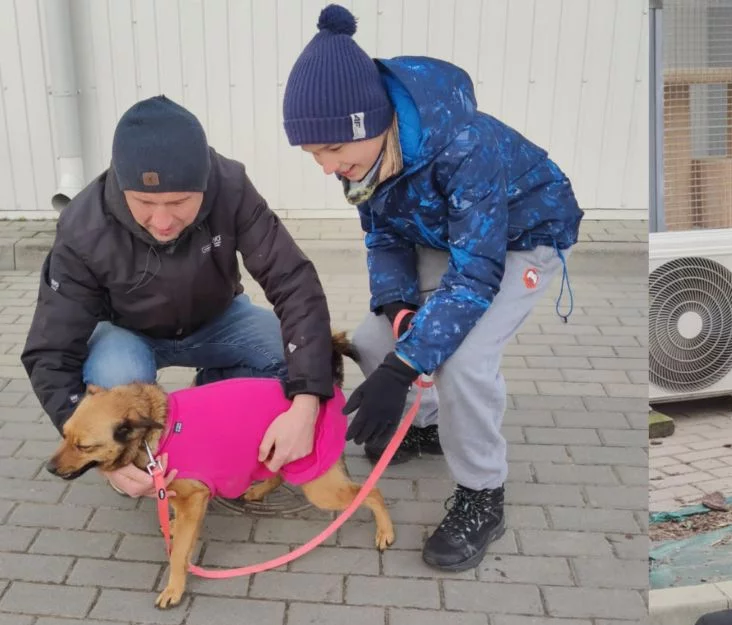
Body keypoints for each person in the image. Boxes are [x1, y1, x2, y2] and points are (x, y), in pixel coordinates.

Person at [280, 4, 583, 572]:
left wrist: (407, 366)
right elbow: (386, 239)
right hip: (448, 239)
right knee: (374, 338)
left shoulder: (464, 146)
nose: (325, 167)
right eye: (313, 155)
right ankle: (428, 429)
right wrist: (396, 306)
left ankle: (482, 492)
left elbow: (475, 275)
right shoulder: (365, 162)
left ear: (367, 125)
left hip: (523, 236)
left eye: (331, 151)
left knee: (463, 360)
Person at [22, 95, 338, 499]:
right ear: (122, 186)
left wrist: (307, 404)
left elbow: (294, 282)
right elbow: (50, 350)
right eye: (145, 203)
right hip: (127, 332)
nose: (163, 220)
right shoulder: (84, 225)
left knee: (289, 357)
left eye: (178, 202)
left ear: (205, 185)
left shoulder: (231, 186)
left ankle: (217, 405)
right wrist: (101, 458)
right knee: (112, 385)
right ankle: (138, 468)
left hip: (219, 319)